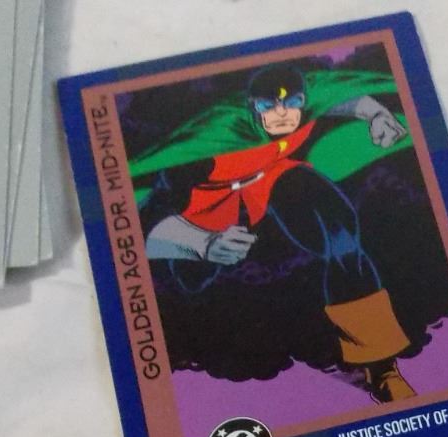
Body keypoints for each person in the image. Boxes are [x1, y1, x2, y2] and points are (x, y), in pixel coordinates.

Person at [133, 60, 418, 402]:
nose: (282, 114)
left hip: (271, 174)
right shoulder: (206, 144)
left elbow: (339, 96)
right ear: (252, 109)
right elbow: (143, 229)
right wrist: (203, 244)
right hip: (207, 199)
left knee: (340, 235)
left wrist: (376, 114)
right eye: (268, 107)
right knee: (193, 285)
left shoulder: (312, 96)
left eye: (292, 103)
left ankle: (381, 367)